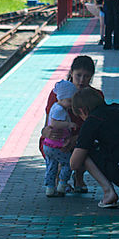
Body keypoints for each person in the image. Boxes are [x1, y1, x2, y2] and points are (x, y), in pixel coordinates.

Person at [41, 55, 102, 192]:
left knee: (87, 148)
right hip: (58, 139)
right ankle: (57, 179)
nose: (81, 81)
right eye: (78, 75)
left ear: (91, 77)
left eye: (86, 76)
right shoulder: (58, 93)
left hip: (82, 138)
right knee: (55, 152)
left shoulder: (96, 96)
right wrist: (47, 133)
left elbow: (98, 128)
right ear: (71, 74)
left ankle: (78, 177)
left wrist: (76, 139)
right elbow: (47, 124)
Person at [42, 80, 78, 197]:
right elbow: (54, 123)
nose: (71, 104)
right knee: (68, 163)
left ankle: (50, 188)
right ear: (61, 99)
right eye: (69, 101)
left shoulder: (56, 107)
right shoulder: (59, 109)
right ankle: (62, 185)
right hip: (56, 146)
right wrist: (69, 125)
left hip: (49, 145)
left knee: (51, 166)